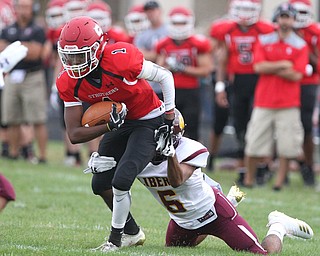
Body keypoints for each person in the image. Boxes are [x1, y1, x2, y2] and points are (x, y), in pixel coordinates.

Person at [93, 108, 314, 254]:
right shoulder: (139, 153)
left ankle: (278, 225)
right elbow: (114, 178)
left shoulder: (192, 149)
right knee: (175, 250)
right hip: (181, 221)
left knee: (260, 253)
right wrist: (102, 164)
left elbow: (177, 180)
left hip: (214, 213)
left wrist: (170, 154)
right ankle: (232, 198)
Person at [56, 16, 175, 251]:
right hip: (120, 123)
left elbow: (164, 76)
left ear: (98, 48)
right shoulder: (68, 82)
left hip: (148, 119)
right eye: (69, 55)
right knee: (100, 183)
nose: (73, 62)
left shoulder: (120, 59)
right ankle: (132, 232)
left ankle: (115, 239)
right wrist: (109, 125)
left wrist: (169, 117)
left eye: (80, 55)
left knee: (121, 180)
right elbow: (75, 134)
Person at [209, 0, 275, 183]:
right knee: (239, 125)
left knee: (259, 124)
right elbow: (222, 61)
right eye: (242, 9)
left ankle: (263, 165)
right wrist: (220, 87)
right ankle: (246, 165)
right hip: (237, 82)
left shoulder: (266, 29)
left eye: (249, 9)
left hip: (260, 81)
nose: (245, 14)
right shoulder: (227, 30)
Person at [244, 2, 308, 190]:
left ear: (294, 19)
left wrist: (271, 67)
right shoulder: (264, 40)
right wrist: (283, 64)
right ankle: (249, 179)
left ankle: (279, 182)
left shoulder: (300, 44)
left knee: (287, 146)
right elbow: (258, 67)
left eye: (289, 17)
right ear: (277, 18)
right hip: (264, 100)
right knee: (254, 142)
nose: (285, 20)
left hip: (288, 102)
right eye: (282, 16)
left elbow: (297, 74)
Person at [0, 0, 48, 163]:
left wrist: (12, 47)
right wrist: (22, 47)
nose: (23, 10)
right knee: (12, 117)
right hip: (12, 76)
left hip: (32, 75)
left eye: (26, 7)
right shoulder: (8, 29)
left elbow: (36, 53)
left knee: (37, 119)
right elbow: (1, 49)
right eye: (21, 7)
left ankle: (42, 156)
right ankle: (14, 153)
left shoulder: (37, 29)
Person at [155, 6, 213, 140]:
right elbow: (158, 70)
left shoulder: (197, 44)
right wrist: (168, 67)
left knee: (191, 128)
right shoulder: (164, 44)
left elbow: (206, 70)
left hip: (191, 91)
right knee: (166, 128)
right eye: (176, 23)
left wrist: (182, 68)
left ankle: (191, 158)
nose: (179, 27)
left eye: (182, 23)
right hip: (169, 91)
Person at [289, 0, 320, 186]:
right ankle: (285, 166)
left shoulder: (314, 33)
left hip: (307, 83)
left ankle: (308, 165)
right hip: (285, 83)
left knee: (306, 126)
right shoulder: (281, 31)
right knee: (285, 126)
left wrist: (302, 46)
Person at [134, 0, 168, 98]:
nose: (150, 13)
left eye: (153, 10)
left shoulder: (168, 30)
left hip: (170, 80)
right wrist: (159, 55)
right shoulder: (142, 33)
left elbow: (170, 53)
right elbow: (139, 54)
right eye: (148, 11)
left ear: (160, 11)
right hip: (150, 81)